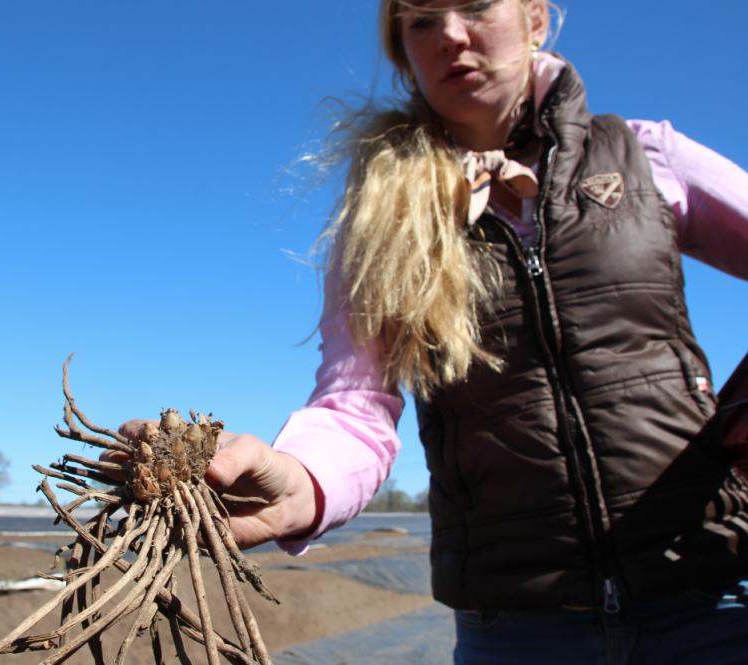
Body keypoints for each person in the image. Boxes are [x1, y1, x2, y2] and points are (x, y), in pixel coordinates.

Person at [130, 0, 748, 662]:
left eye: (477, 5)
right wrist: (302, 478)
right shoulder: (384, 208)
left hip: (712, 602)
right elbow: (355, 404)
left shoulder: (643, 153)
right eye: (421, 21)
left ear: (536, 18)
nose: (451, 34)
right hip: (517, 630)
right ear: (404, 52)